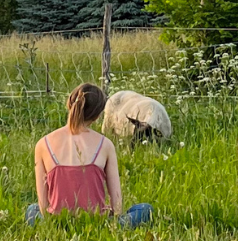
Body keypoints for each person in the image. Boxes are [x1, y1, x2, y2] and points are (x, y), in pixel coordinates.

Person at [25, 82, 152, 228]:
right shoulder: (105, 145)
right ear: (97, 115)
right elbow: (117, 206)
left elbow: (43, 206)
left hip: (58, 223)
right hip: (97, 223)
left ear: (69, 104)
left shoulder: (43, 144)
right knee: (145, 209)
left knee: (32, 209)